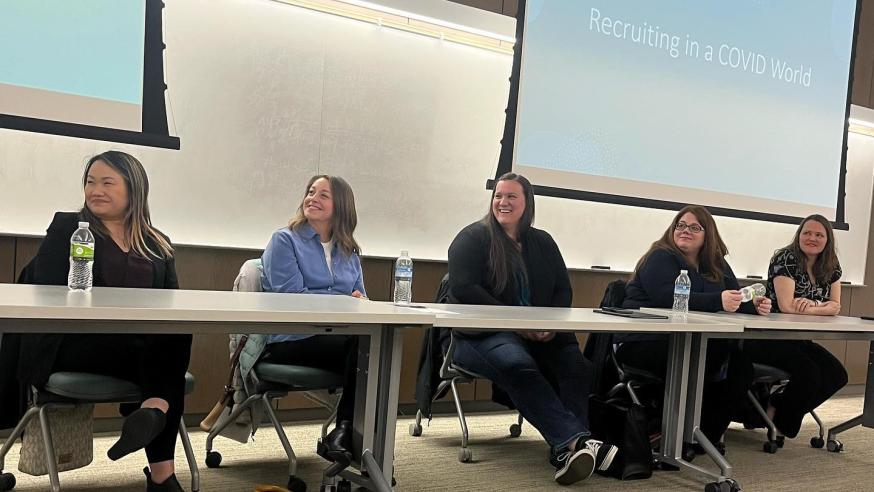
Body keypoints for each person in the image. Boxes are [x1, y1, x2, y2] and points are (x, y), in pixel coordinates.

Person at [0, 151, 191, 491]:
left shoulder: (157, 243)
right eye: (90, 182)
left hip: (136, 351)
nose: (95, 189)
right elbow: (44, 290)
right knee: (162, 357)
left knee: (174, 331)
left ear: (134, 190)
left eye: (107, 182)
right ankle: (161, 456)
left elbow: (170, 306)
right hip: (75, 342)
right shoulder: (69, 228)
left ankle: (152, 415)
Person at [447, 172, 617, 485]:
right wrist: (517, 323)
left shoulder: (543, 242)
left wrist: (548, 326)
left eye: (512, 196)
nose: (503, 202)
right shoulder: (472, 238)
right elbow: (464, 288)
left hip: (541, 334)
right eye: (499, 195)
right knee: (517, 364)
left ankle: (567, 450)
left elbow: (562, 291)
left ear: (527, 203)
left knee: (577, 366)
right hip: (483, 334)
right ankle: (577, 442)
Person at [619, 205, 771, 450]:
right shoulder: (660, 256)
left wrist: (754, 306)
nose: (685, 231)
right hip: (646, 341)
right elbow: (666, 297)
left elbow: (733, 296)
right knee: (710, 357)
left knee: (740, 366)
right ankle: (675, 433)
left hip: (693, 342)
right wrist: (718, 299)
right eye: (680, 225)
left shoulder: (715, 262)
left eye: (694, 227)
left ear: (707, 235)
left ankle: (702, 437)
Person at [260, 174, 365, 466]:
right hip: (291, 339)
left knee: (375, 350)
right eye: (310, 192)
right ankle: (347, 432)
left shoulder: (349, 252)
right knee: (366, 352)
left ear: (341, 206)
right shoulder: (284, 240)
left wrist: (356, 304)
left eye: (323, 195)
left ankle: (354, 437)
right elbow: (295, 301)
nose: (312, 198)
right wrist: (346, 303)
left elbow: (362, 304)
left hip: (338, 341)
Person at [743, 214, 848, 438]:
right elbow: (787, 306)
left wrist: (814, 304)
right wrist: (822, 306)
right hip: (768, 337)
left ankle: (777, 405)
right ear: (798, 235)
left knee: (837, 375)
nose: (812, 238)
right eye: (807, 233)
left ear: (827, 240)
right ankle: (780, 426)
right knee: (809, 373)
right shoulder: (786, 258)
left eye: (819, 235)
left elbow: (836, 306)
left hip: (798, 338)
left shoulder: (831, 264)